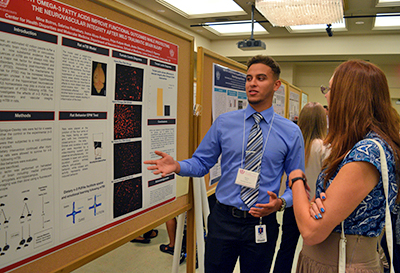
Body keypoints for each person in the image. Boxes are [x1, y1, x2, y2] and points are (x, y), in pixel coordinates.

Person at [144, 55, 305, 273]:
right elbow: (202, 162)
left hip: (261, 223)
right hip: (223, 221)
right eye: (249, 78)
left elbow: (298, 184)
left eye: (260, 78)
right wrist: (178, 166)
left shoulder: (291, 132)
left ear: (276, 85)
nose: (252, 84)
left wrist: (281, 203)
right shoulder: (224, 123)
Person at [289, 59, 400, 272]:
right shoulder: (359, 146)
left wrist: (295, 179)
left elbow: (312, 231)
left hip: (342, 264)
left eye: (329, 89)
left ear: (349, 97)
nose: (326, 95)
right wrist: (315, 204)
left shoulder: (367, 152)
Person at [273, 102, 329, 273]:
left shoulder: (292, 146)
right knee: (316, 254)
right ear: (322, 121)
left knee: (286, 248)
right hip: (316, 208)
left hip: (294, 204)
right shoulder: (325, 148)